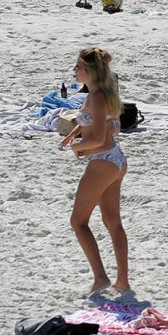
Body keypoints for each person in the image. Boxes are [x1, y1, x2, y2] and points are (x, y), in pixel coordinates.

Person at [61, 47, 129, 294]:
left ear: (88, 70)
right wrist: (76, 131)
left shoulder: (97, 96)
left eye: (78, 66)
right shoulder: (105, 93)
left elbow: (99, 138)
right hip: (116, 160)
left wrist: (79, 147)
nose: (74, 70)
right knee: (112, 222)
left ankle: (100, 278)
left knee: (78, 222)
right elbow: (113, 126)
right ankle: (122, 281)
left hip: (103, 161)